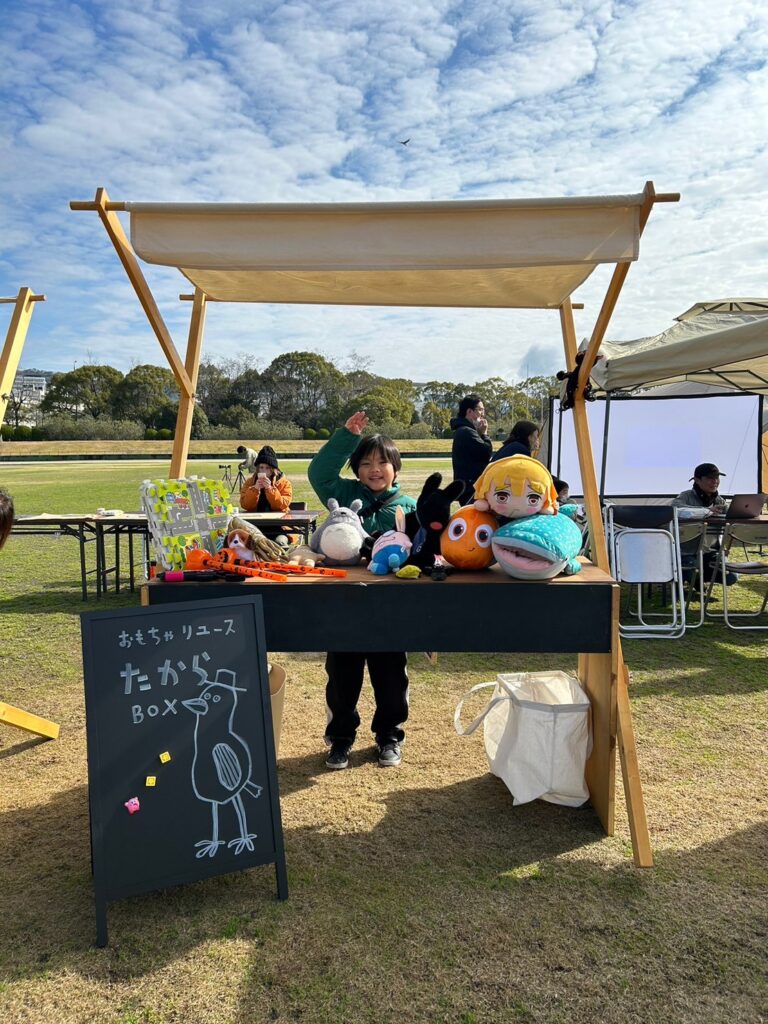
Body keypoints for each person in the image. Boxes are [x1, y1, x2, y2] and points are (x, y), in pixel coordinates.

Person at [308, 411, 417, 770]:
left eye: (382, 462)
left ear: (395, 468)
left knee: (391, 675)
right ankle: (340, 740)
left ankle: (389, 736)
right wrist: (346, 437)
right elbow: (319, 474)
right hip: (344, 603)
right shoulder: (343, 494)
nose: (375, 469)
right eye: (366, 463)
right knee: (342, 676)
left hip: (390, 607)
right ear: (356, 469)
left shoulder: (408, 507)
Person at [672, 463, 735, 587]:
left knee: (731, 577)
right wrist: (707, 511)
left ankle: (698, 579)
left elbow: (730, 514)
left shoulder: (719, 500)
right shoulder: (685, 496)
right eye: (710, 478)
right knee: (692, 572)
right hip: (688, 553)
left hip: (711, 553)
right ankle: (692, 579)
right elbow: (675, 510)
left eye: (717, 478)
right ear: (697, 480)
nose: (715, 481)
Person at [450, 395, 493, 505]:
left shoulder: (463, 430)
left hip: (466, 486)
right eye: (480, 410)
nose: (482, 413)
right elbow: (486, 452)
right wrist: (484, 434)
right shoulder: (467, 432)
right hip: (471, 487)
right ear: (469, 411)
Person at [239, 446, 292, 513]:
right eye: (261, 467)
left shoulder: (284, 483)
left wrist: (270, 489)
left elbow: (282, 505)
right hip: (257, 517)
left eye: (268, 468)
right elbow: (245, 505)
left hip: (279, 518)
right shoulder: (250, 482)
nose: (264, 470)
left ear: (273, 469)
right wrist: (255, 489)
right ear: (258, 468)